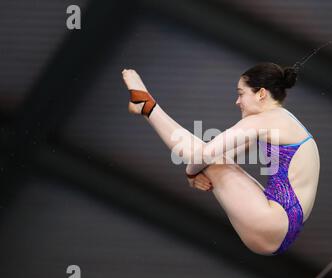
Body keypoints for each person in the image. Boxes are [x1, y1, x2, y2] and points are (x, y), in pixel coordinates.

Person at [122, 62, 320, 255]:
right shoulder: (284, 119)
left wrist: (190, 173)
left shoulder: (262, 120)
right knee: (213, 161)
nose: (237, 101)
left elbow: (207, 154)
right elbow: (224, 155)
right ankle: (145, 105)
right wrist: (199, 167)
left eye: (241, 94)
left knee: (207, 157)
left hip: (272, 221)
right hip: (283, 226)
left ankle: (147, 106)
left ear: (261, 93)